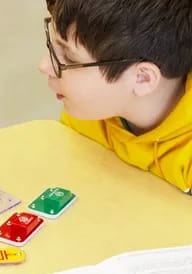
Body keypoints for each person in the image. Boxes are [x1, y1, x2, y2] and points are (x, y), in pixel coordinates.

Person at [39, 0, 192, 193]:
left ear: (142, 78)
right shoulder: (89, 114)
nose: (43, 66)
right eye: (53, 47)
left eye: (69, 58)